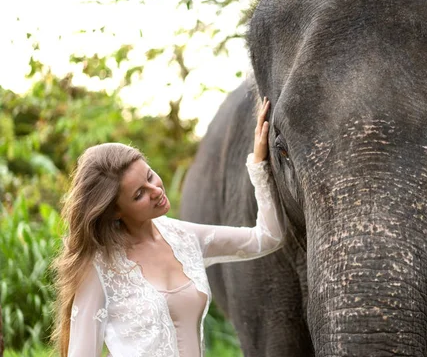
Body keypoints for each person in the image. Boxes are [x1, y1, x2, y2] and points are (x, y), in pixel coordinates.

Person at [52, 98, 281, 357]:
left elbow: (267, 238)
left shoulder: (184, 238)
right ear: (115, 210)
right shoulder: (100, 267)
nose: (156, 190)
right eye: (139, 194)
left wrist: (259, 164)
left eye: (150, 176)